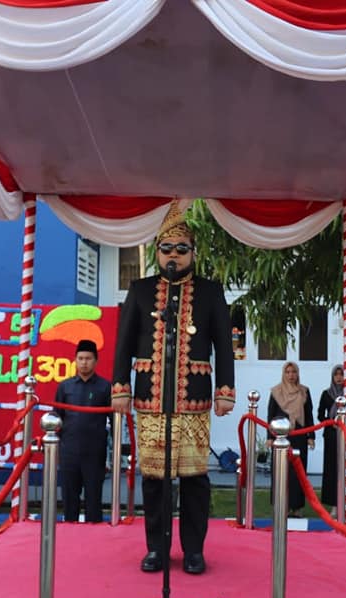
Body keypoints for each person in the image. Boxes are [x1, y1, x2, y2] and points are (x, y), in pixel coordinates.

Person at [112, 201, 235, 576]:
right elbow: (123, 342)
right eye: (167, 249)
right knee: (154, 480)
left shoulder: (212, 293)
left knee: (195, 480)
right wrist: (120, 388)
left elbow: (224, 348)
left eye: (182, 250)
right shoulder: (141, 290)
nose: (174, 256)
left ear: (193, 253)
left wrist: (225, 390)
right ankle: (157, 550)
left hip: (193, 401)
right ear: (157, 252)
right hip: (150, 398)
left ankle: (194, 550)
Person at [54, 339, 112, 523]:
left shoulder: (105, 387)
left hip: (95, 452)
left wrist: (112, 454)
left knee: (93, 500)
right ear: (75, 360)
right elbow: (56, 417)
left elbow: (114, 421)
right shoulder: (65, 386)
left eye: (88, 358)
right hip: (69, 451)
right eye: (80, 358)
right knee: (69, 498)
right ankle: (69, 535)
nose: (84, 362)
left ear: (96, 361)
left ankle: (94, 539)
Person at [267, 361, 315, 518]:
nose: (291, 375)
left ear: (297, 373)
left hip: (300, 435)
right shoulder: (276, 392)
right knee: (281, 471)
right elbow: (271, 415)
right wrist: (269, 437)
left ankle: (297, 507)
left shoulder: (304, 392)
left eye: (293, 372)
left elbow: (309, 415)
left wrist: (311, 436)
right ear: (283, 374)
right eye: (287, 372)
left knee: (298, 472)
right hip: (281, 436)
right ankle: (281, 506)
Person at [316, 364, 346, 512]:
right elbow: (320, 415)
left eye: (342, 374)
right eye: (337, 374)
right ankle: (334, 504)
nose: (339, 377)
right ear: (333, 377)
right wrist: (332, 422)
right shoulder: (326, 394)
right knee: (332, 468)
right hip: (331, 436)